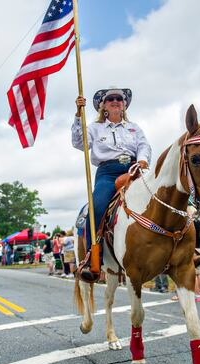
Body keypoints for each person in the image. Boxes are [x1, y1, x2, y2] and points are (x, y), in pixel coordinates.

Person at [72, 87, 152, 282]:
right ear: (103, 106)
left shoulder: (134, 127)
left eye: (120, 99)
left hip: (133, 170)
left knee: (161, 194)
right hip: (107, 173)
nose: (116, 101)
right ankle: (94, 258)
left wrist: (142, 160)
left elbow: (144, 146)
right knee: (97, 207)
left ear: (124, 105)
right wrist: (78, 116)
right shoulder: (94, 127)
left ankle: (179, 248)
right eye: (110, 99)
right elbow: (79, 143)